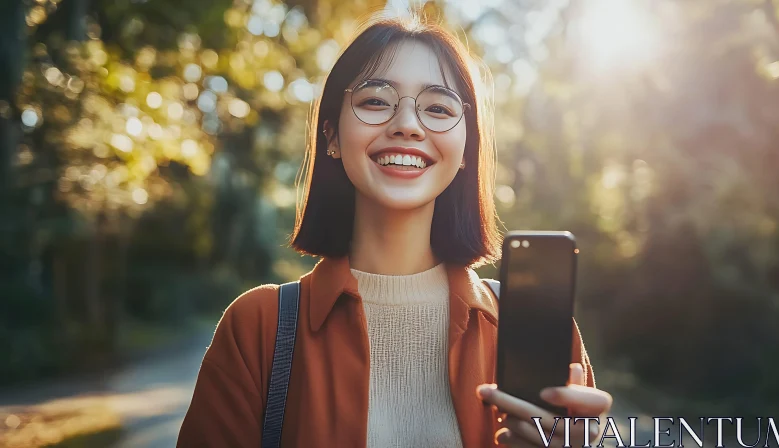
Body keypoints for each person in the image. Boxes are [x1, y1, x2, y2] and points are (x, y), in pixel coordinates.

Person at [177, 12, 613, 448]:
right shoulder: (258, 328)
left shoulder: (529, 327)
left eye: (438, 108)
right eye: (374, 101)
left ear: (466, 150)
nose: (407, 124)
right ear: (331, 134)